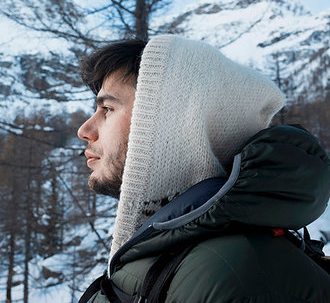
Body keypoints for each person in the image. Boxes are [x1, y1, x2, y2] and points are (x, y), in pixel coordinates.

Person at [77, 35, 330, 302]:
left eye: (107, 108)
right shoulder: (173, 250)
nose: (84, 130)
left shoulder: (229, 275)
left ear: (175, 127)